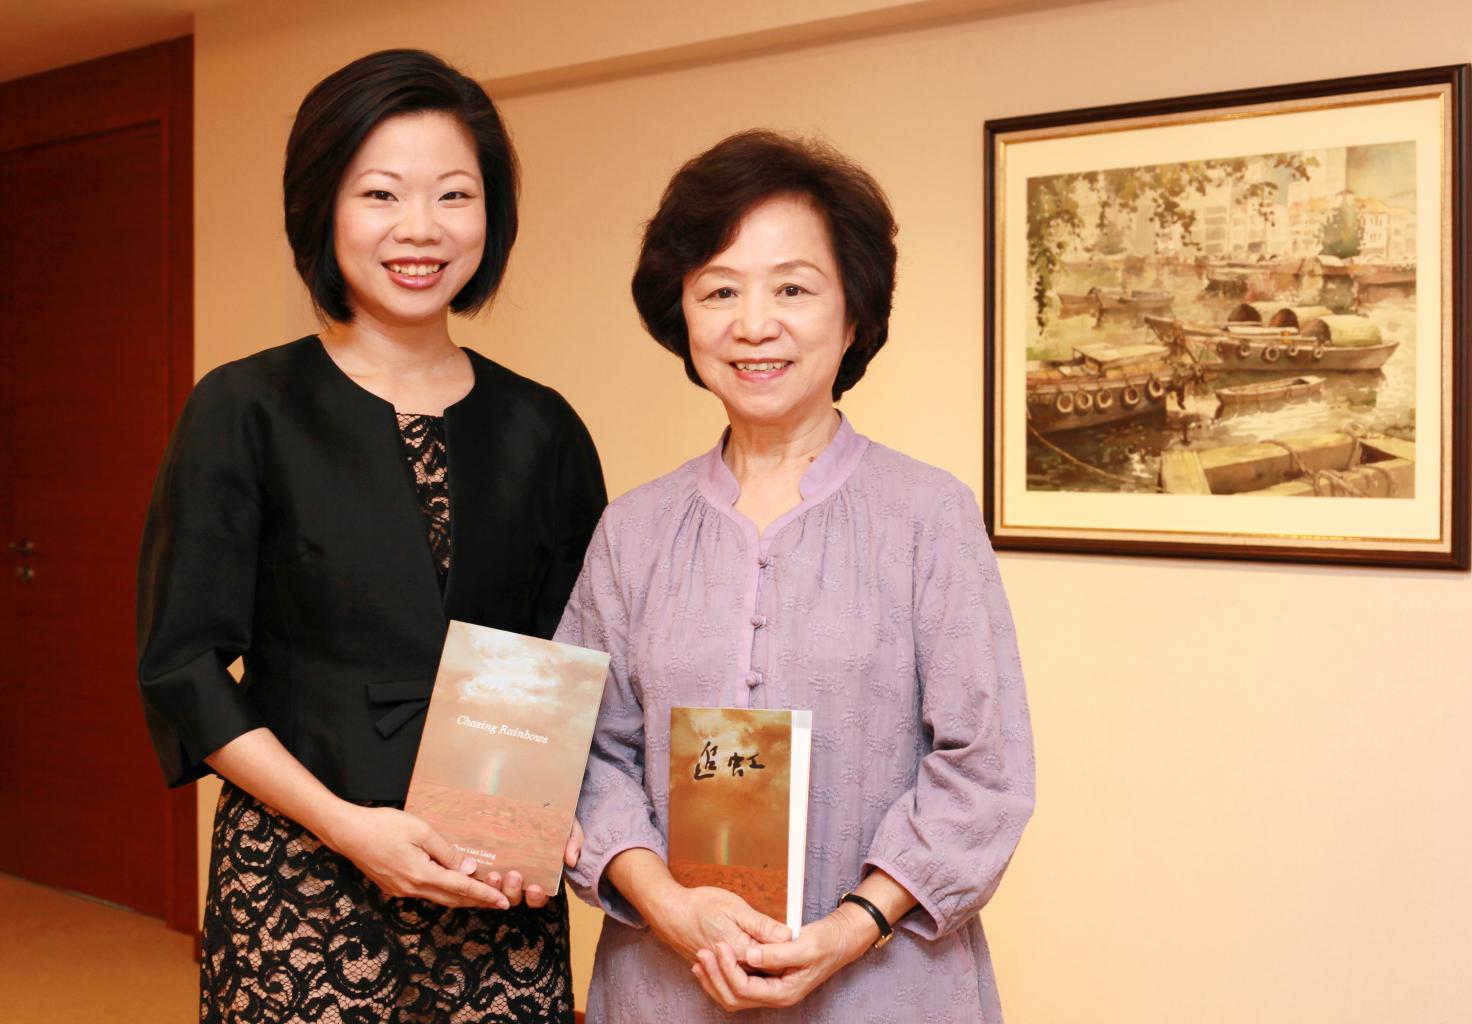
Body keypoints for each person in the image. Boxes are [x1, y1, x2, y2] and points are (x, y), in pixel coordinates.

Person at [136, 49, 604, 1023]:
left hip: (493, 886)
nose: (421, 229)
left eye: (455, 195)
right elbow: (182, 664)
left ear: (493, 216)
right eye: (382, 193)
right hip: (301, 875)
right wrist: (351, 828)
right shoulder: (245, 406)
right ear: (323, 208)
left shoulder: (543, 427)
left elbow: (570, 659)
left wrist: (538, 824)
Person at [556, 130, 1034, 1021]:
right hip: (668, 983)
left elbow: (983, 768)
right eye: (720, 290)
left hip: (884, 985)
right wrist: (665, 904)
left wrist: (852, 926)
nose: (753, 324)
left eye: (792, 289)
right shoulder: (634, 529)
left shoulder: (926, 516)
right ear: (682, 315)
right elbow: (586, 749)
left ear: (852, 315)